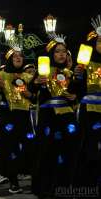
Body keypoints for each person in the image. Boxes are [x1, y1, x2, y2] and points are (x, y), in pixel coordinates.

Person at [30, 34, 85, 198]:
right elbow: (31, 92)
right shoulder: (43, 71)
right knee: (47, 151)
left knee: (70, 150)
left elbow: (79, 92)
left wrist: (75, 95)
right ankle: (46, 187)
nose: (61, 54)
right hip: (49, 117)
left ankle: (66, 185)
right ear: (51, 55)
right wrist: (36, 83)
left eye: (64, 51)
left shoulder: (71, 72)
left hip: (67, 117)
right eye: (57, 51)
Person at [0, 44, 35, 193]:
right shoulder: (1, 75)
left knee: (29, 146)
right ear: (9, 59)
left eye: (21, 55)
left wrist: (27, 93)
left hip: (23, 116)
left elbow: (34, 97)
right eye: (15, 55)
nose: (18, 57)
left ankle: (27, 174)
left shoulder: (28, 76)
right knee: (10, 149)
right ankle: (13, 181)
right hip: (7, 116)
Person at [77, 14, 101, 188]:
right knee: (91, 146)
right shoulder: (85, 64)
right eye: (99, 41)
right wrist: (78, 75)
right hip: (91, 111)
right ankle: (88, 182)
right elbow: (77, 89)